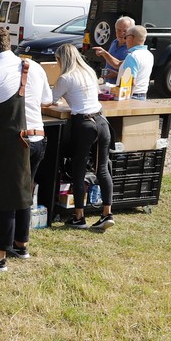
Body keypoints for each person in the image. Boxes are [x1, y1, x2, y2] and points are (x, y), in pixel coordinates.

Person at [0, 25, 51, 270]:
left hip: (13, 144)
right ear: (9, 44)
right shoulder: (34, 67)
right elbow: (47, 100)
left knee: (6, 196)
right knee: (25, 192)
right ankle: (20, 244)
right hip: (38, 139)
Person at [49, 44, 114, 231]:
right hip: (101, 121)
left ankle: (79, 217)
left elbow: (49, 99)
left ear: (62, 59)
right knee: (102, 169)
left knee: (78, 171)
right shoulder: (89, 72)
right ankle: (107, 213)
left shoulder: (65, 78)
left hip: (84, 124)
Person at [114, 24, 154, 100]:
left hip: (131, 96)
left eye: (126, 37)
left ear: (131, 38)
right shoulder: (149, 55)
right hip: (142, 95)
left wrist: (127, 100)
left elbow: (131, 82)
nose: (125, 40)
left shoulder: (132, 56)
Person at [91, 16, 135, 84]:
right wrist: (102, 53)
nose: (121, 33)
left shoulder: (132, 48)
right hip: (108, 84)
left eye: (125, 31)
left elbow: (133, 75)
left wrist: (117, 75)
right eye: (119, 30)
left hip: (122, 87)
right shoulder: (114, 42)